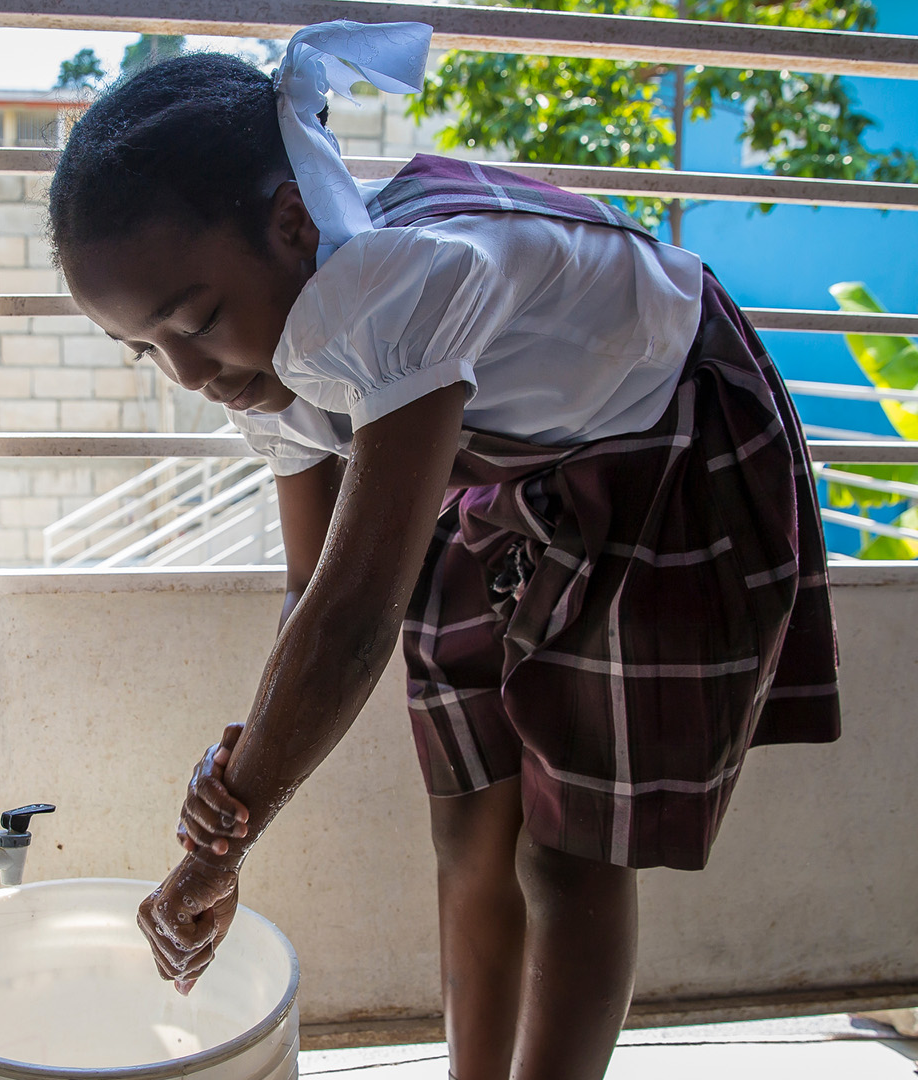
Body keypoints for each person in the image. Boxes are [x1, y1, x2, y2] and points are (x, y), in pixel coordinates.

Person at [46, 20, 840, 1080]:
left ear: (292, 223)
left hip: (665, 449)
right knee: (468, 821)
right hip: (505, 473)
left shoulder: (396, 289)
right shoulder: (265, 352)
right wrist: (240, 789)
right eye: (144, 347)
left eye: (191, 321)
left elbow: (354, 615)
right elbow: (312, 588)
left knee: (566, 856)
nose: (186, 373)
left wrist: (221, 840)